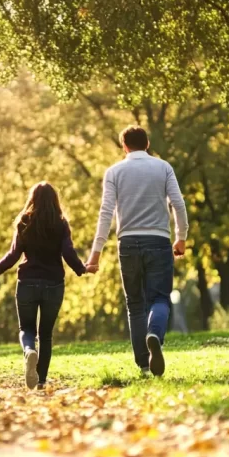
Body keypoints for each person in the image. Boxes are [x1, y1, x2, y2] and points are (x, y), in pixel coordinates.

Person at [86, 126, 188, 377]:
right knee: (160, 298)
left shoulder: (114, 172)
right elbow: (178, 203)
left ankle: (143, 365)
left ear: (124, 146)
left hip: (128, 243)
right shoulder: (163, 167)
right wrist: (181, 237)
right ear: (148, 143)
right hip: (159, 240)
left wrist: (95, 253)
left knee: (135, 305)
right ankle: (154, 333)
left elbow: (106, 213)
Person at [0, 182, 88, 390]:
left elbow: (14, 254)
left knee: (26, 328)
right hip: (53, 283)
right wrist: (82, 269)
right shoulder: (61, 224)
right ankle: (41, 380)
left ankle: (28, 351)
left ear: (32, 199)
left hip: (27, 282)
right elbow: (68, 253)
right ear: (54, 200)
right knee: (46, 334)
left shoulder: (24, 222)